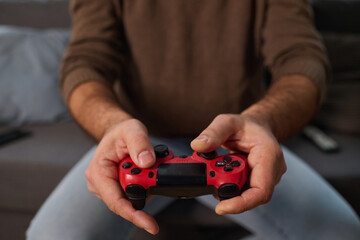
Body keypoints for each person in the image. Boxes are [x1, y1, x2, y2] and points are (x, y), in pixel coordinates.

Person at [27, 0, 360, 239]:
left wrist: (261, 120)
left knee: (341, 232)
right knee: (50, 234)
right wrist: (111, 124)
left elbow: (303, 63)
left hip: (235, 146)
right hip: (137, 145)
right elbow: (83, 65)